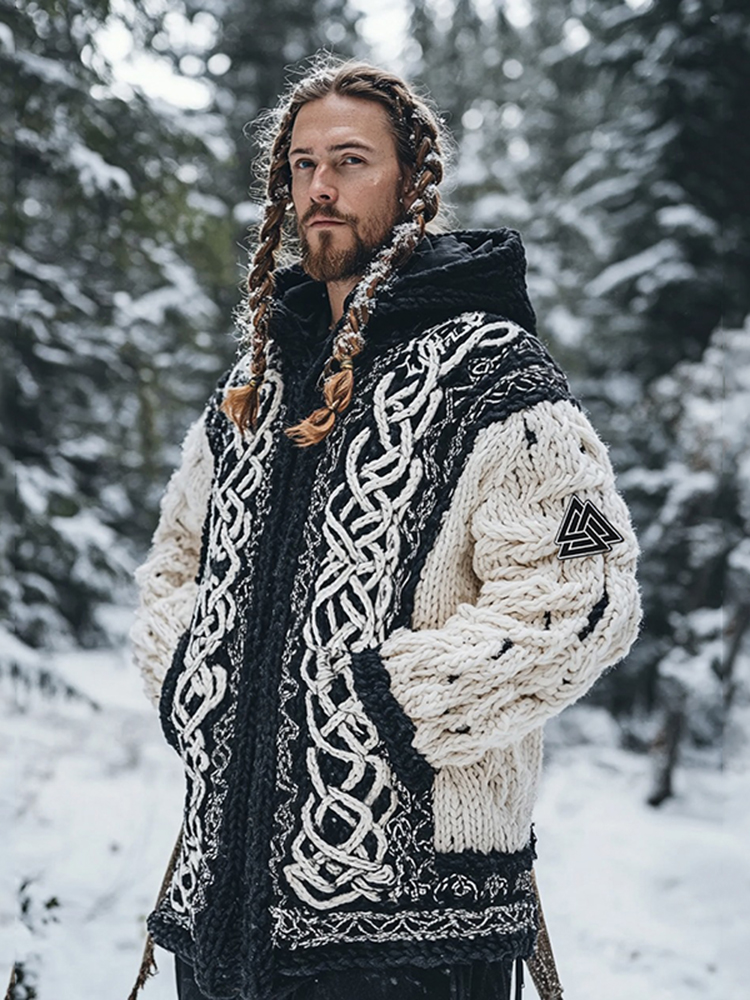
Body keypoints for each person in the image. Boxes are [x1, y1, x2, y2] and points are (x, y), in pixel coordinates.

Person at [130, 57, 641, 1000]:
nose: (319, 188)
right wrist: (197, 687)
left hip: (418, 930)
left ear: (412, 183)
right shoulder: (252, 391)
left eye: (350, 161)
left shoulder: (497, 377)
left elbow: (585, 596)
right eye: (302, 165)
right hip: (220, 918)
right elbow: (173, 568)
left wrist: (383, 709)